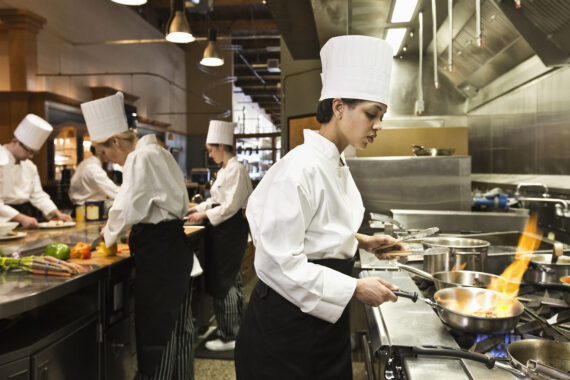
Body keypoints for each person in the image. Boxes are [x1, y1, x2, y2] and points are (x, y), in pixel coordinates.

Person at [235, 35, 402, 379]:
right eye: (372, 114)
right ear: (339, 107)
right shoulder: (299, 168)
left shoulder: (335, 163)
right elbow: (279, 262)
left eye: (381, 115)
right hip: (286, 332)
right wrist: (355, 287)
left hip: (320, 324)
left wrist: (360, 241)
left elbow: (314, 229)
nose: (379, 126)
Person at [81, 92, 194, 379]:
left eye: (107, 154)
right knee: (175, 328)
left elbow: (126, 207)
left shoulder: (140, 158)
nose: (112, 161)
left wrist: (105, 237)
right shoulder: (158, 151)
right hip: (171, 248)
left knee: (157, 329)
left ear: (115, 142)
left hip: (160, 254)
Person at [187, 120, 253, 351]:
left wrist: (203, 216)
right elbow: (217, 200)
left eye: (211, 149)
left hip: (230, 231)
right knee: (231, 280)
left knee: (224, 282)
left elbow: (231, 206)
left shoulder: (236, 169)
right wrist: (196, 209)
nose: (210, 154)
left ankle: (229, 336)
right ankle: (238, 328)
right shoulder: (225, 169)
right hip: (223, 232)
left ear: (222, 145)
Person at [0, 114, 73, 228]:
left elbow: (38, 195)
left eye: (34, 152)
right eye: (29, 151)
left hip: (25, 215)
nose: (31, 156)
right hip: (3, 219)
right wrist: (20, 217)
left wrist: (56, 213)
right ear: (15, 141)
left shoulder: (30, 166)